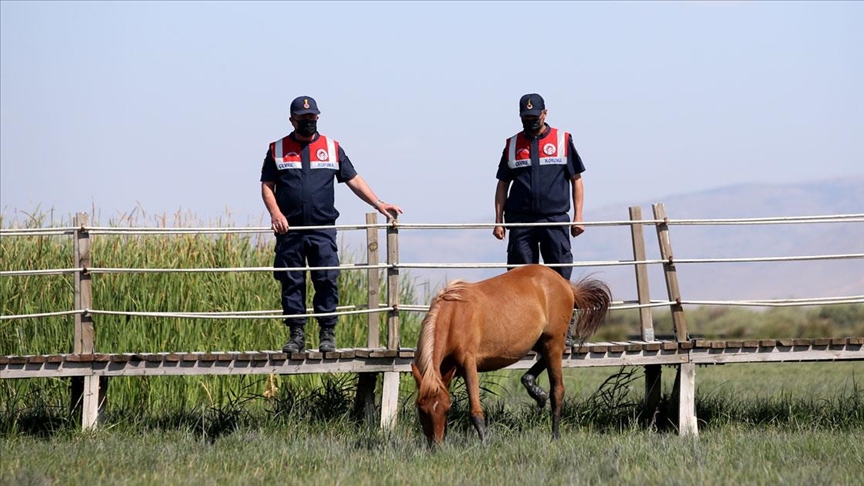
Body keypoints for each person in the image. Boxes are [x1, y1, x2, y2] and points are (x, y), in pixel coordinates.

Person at [260, 96, 403, 353]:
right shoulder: (277, 149)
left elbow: (353, 179)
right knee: (292, 282)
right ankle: (297, 335)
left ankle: (327, 333)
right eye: (303, 119)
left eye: (312, 118)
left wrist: (378, 204)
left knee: (327, 279)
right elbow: (267, 186)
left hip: (323, 229)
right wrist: (275, 214)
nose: (308, 122)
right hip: (290, 230)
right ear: (292, 120)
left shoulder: (332, 147)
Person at [493, 93, 586, 347]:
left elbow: (576, 180)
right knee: (519, 278)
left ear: (545, 114)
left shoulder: (563, 140)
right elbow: (502, 184)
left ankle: (564, 330)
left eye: (534, 117)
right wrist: (498, 220)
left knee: (560, 275)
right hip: (521, 222)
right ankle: (523, 331)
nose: (530, 121)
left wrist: (578, 217)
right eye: (525, 118)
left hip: (555, 219)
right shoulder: (512, 144)